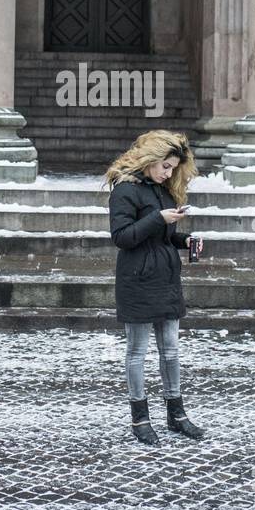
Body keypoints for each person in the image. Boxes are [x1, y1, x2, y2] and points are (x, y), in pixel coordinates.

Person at [102, 129, 206, 445]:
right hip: (137, 280)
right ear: (150, 159)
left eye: (173, 168)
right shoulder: (125, 191)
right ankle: (141, 419)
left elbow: (159, 236)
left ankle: (177, 415)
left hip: (166, 279)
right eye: (165, 166)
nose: (169, 172)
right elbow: (122, 237)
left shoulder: (163, 191)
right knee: (137, 353)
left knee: (171, 351)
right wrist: (159, 219)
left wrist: (184, 240)